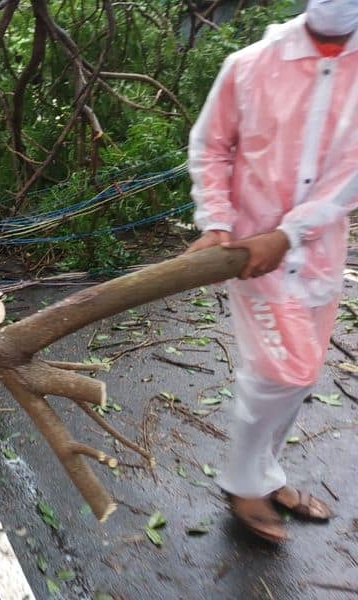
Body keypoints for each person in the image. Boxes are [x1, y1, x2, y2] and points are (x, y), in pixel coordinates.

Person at [185, 1, 358, 542]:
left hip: (319, 251)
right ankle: (244, 482)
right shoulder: (250, 65)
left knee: (297, 380)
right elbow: (211, 145)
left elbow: (352, 173)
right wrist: (215, 222)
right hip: (252, 255)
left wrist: (292, 232)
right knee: (281, 375)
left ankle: (266, 473)